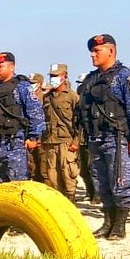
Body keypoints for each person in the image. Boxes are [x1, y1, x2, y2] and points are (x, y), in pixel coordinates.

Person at [78, 35, 130, 240]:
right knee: (101, 182)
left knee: (120, 181)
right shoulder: (91, 79)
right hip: (96, 138)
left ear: (111, 51)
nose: (92, 55)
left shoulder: (125, 77)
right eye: (91, 51)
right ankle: (107, 222)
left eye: (97, 51)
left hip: (117, 138)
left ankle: (119, 225)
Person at [0, 52, 46, 184]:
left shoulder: (22, 87)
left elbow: (35, 113)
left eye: (0, 66)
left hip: (15, 144)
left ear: (12, 67)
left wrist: (33, 137)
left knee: (18, 183)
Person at [40, 64, 81, 202]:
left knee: (68, 173)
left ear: (64, 76)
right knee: (52, 175)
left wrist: (76, 142)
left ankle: (71, 202)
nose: (53, 78)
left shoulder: (72, 97)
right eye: (51, 76)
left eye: (56, 76)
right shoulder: (47, 97)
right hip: (50, 142)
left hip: (66, 142)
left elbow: (80, 122)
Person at [75, 72, 97, 202]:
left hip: (92, 139)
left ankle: (97, 194)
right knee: (83, 170)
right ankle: (89, 191)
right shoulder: (79, 103)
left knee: (93, 168)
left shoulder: (93, 101)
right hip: (81, 138)